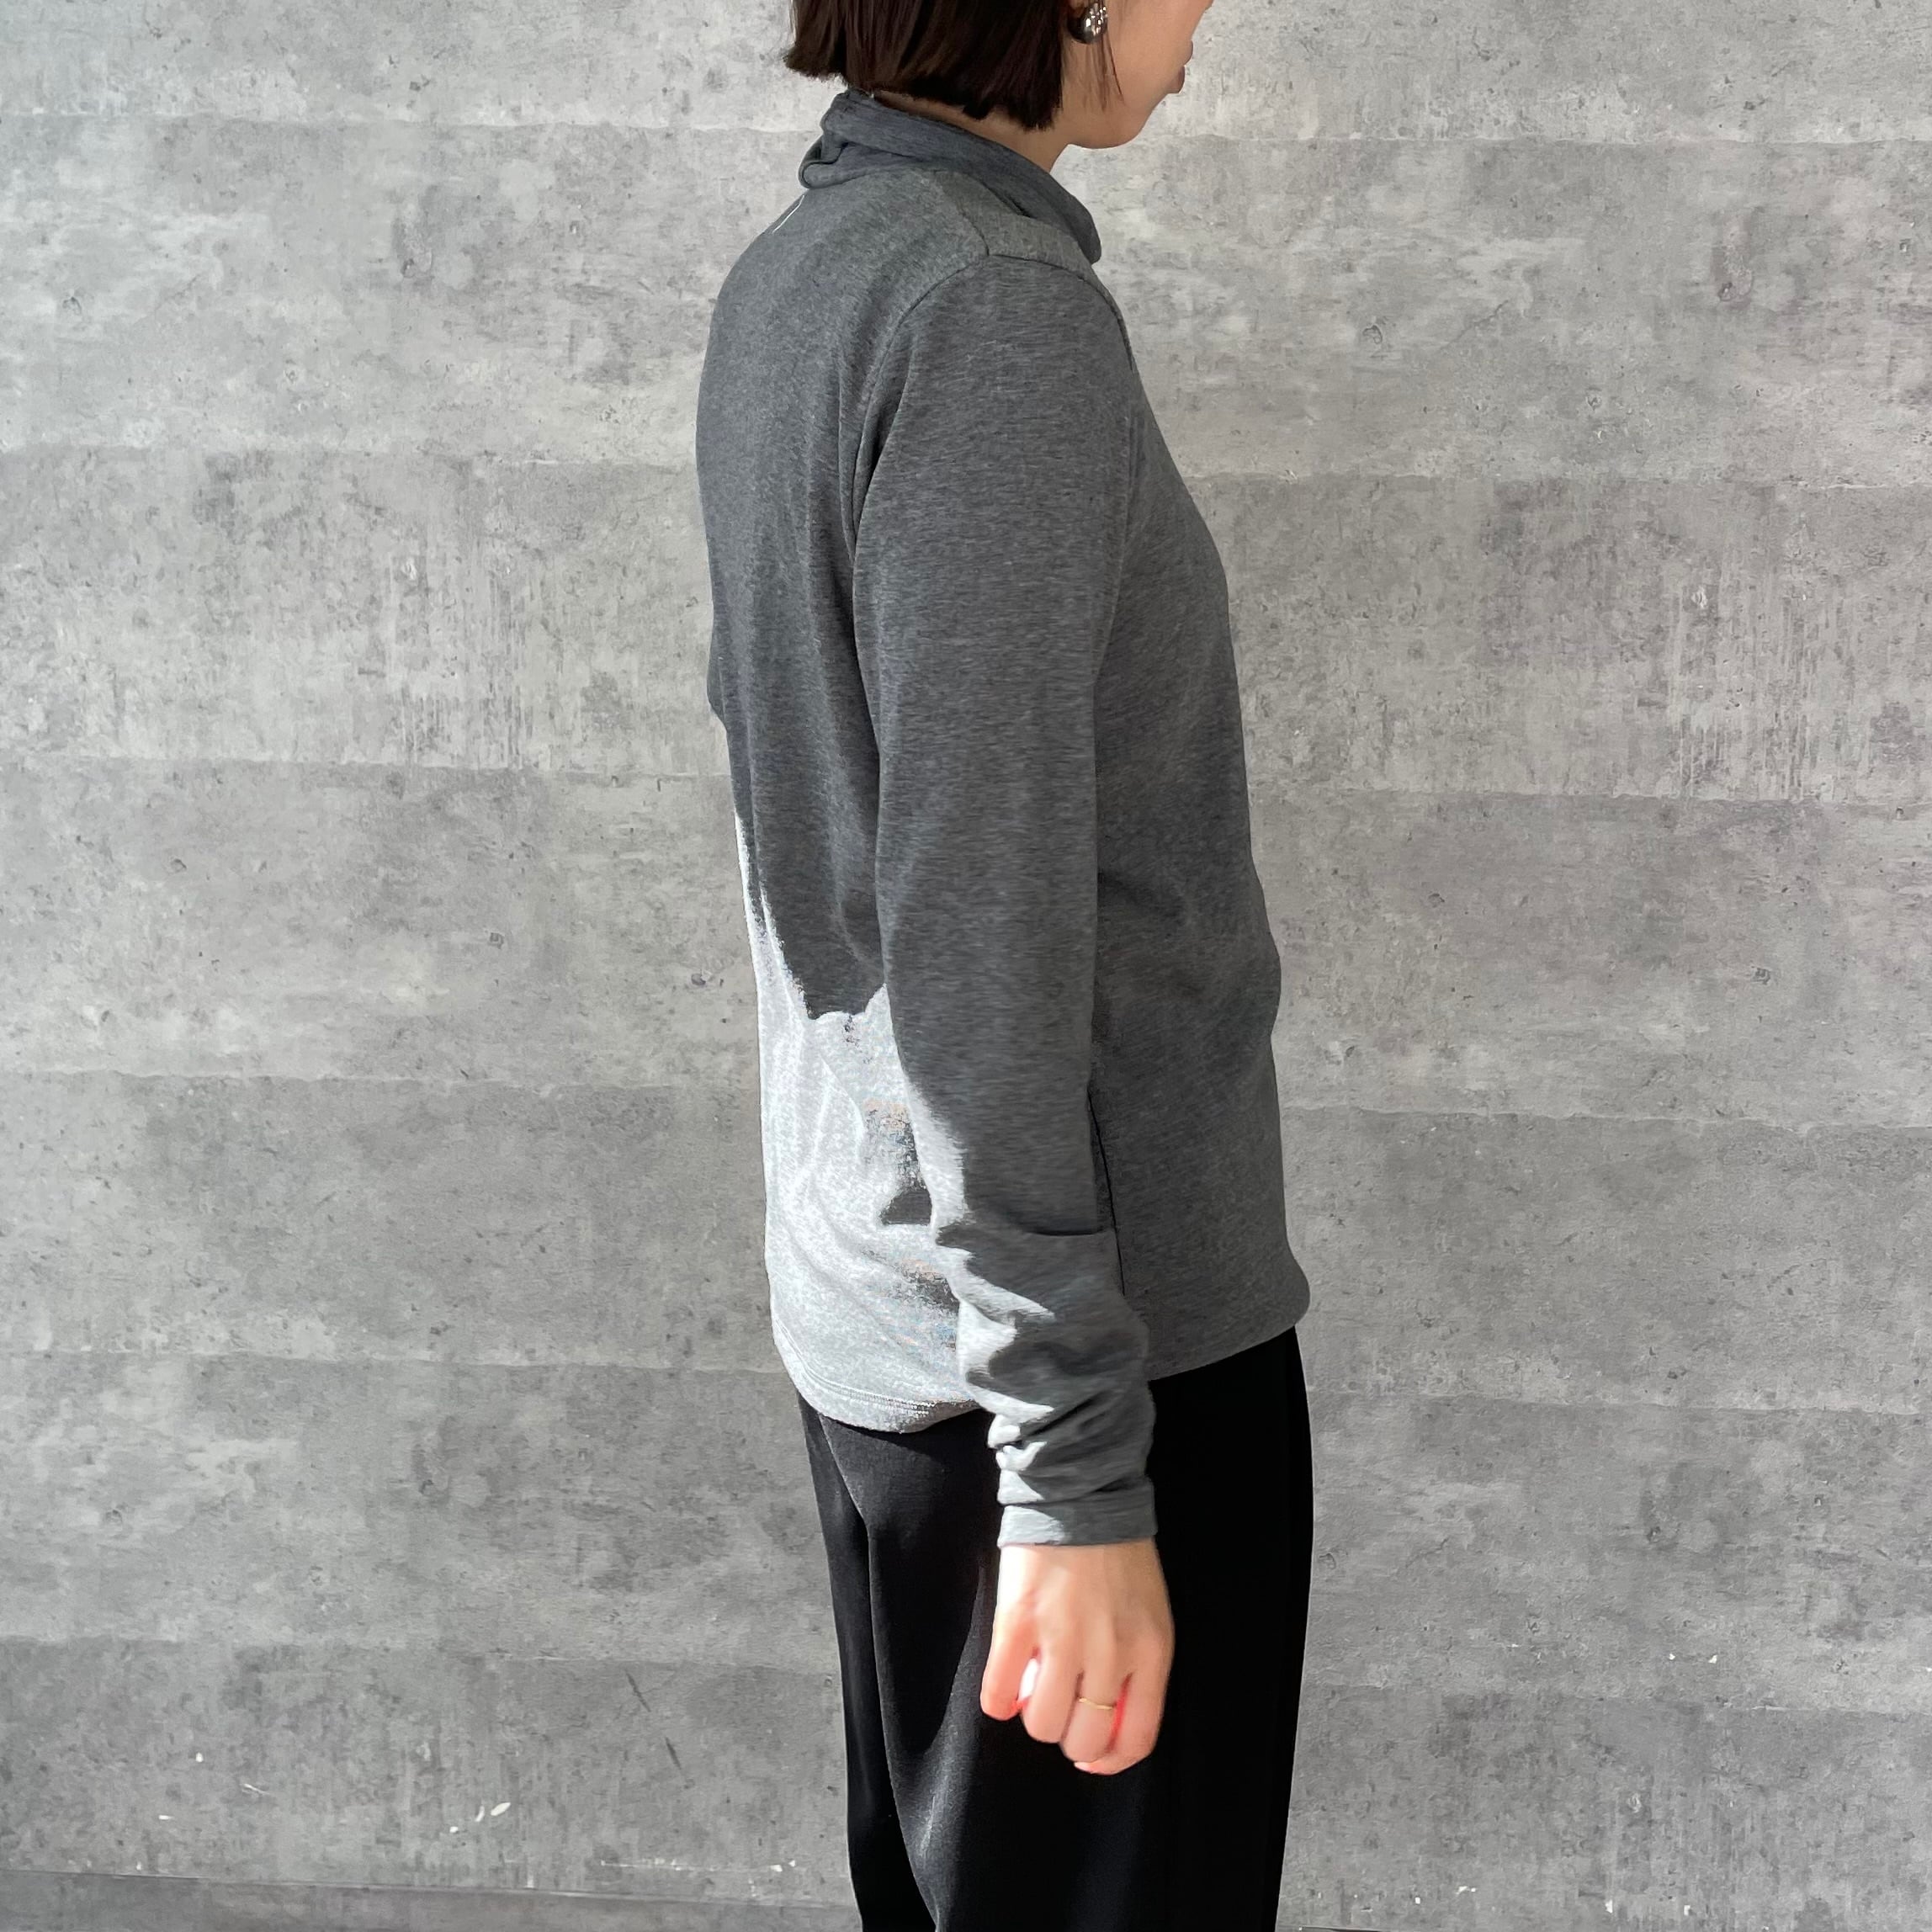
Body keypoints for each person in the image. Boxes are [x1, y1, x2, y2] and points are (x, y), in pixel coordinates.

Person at [693, 3, 1314, 1924]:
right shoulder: (990, 318)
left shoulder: (810, 271)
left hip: (910, 1331)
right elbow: (974, 913)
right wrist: (1072, 1465)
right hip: (1065, 1375)